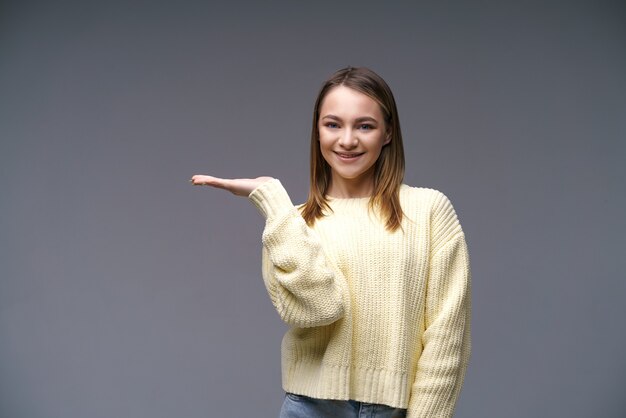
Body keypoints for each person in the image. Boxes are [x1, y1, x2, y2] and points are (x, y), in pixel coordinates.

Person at [190, 67, 471, 418]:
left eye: (364, 125)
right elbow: (319, 309)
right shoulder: (289, 225)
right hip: (309, 408)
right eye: (333, 124)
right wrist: (274, 202)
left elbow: (448, 334)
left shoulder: (429, 211)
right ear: (317, 131)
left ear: (387, 133)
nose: (347, 140)